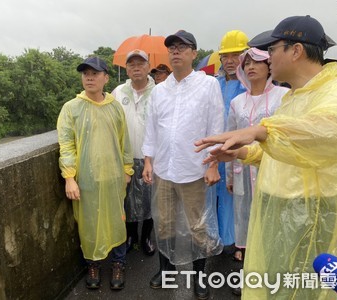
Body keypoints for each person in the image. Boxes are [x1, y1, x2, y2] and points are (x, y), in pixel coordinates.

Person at [195, 15, 337, 299]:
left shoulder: (336, 92)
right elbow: (282, 151)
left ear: (296, 51)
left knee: (303, 289)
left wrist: (259, 131)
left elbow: (325, 132)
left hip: (310, 215)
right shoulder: (294, 97)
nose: (268, 57)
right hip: (279, 212)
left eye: (272, 49)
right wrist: (240, 152)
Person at [142, 30, 224, 299]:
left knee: (197, 226)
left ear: (193, 53)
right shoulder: (160, 90)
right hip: (164, 169)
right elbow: (151, 129)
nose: (175, 51)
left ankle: (200, 277)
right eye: (172, 48)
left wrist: (212, 164)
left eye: (182, 47)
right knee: (163, 223)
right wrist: (148, 161)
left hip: (194, 168)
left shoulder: (208, 85)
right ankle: (165, 272)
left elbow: (216, 126)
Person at [57, 56, 134, 291]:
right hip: (86, 179)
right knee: (88, 224)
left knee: (117, 221)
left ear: (105, 78)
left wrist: (127, 170)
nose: (89, 77)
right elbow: (66, 144)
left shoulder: (114, 107)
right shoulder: (72, 108)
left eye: (94, 73)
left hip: (113, 178)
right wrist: (69, 177)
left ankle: (118, 263)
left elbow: (124, 142)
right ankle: (93, 264)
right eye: (85, 73)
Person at [226, 47, 289, 296]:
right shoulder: (236, 102)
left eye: (257, 62)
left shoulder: (283, 97)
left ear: (269, 66)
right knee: (247, 222)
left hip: (273, 171)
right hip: (243, 173)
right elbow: (231, 139)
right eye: (247, 63)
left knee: (271, 224)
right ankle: (250, 277)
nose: (251, 67)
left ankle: (273, 277)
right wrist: (231, 176)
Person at [112, 49, 156, 256]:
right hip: (125, 157)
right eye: (131, 64)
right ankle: (131, 236)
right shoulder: (118, 92)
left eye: (141, 63)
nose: (136, 68)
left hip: (152, 157)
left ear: (148, 67)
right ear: (126, 69)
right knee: (127, 200)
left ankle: (147, 236)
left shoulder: (159, 91)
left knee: (150, 200)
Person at [211, 30, 249, 251]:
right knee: (217, 198)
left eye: (236, 55)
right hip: (216, 152)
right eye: (226, 56)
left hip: (241, 152)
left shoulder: (251, 85)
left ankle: (239, 243)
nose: (230, 61)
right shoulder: (214, 83)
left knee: (239, 198)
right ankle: (220, 239)